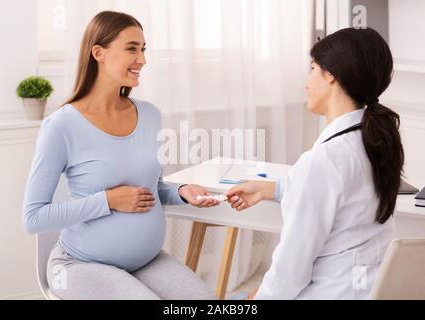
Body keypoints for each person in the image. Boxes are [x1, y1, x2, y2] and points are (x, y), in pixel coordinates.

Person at [22, 11, 220, 300]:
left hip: (146, 262)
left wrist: (182, 192)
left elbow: (152, 189)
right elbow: (33, 218)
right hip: (80, 265)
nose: (142, 59)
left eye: (143, 49)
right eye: (132, 49)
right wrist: (108, 201)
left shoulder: (150, 115)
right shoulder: (61, 126)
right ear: (98, 53)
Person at [227, 27, 404, 300]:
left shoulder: (325, 159)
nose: (306, 82)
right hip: (366, 290)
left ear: (331, 74)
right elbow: (340, 194)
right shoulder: (375, 142)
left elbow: (292, 266)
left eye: (312, 68)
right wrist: (270, 189)